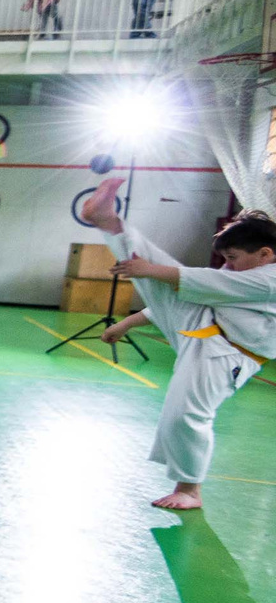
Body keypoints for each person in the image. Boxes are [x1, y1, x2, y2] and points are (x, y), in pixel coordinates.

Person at [82, 178, 272, 511]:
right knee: (157, 276)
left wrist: (152, 270)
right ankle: (110, 224)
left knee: (186, 415)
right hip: (208, 331)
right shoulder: (242, 276)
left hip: (228, 355)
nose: (227, 264)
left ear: (265, 254)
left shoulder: (270, 279)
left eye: (233, 257)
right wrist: (127, 322)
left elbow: (207, 280)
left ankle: (190, 490)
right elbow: (178, 294)